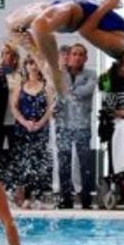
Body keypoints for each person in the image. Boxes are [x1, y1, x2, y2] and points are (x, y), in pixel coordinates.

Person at [5, 0, 124, 95]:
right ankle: (42, 62)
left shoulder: (118, 49)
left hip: (73, 13)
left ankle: (53, 71)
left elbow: (86, 30)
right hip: (61, 5)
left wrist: (107, 5)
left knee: (39, 26)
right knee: (12, 24)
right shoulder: (122, 44)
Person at [8, 56, 55, 208]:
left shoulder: (47, 86)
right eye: (29, 63)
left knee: (39, 160)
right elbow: (14, 107)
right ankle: (27, 196)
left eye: (35, 63)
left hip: (41, 127)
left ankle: (40, 196)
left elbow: (50, 108)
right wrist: (25, 122)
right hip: (23, 127)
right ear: (25, 66)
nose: (32, 66)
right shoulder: (20, 85)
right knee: (25, 161)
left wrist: (41, 122)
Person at [55, 43, 97, 209]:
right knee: (64, 164)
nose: (77, 57)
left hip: (82, 125)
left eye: (81, 54)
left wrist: (66, 90)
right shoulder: (61, 75)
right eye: (74, 54)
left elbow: (85, 91)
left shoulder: (91, 74)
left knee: (85, 164)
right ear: (69, 56)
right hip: (63, 125)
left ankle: (86, 199)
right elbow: (57, 95)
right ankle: (65, 199)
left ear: (85, 58)